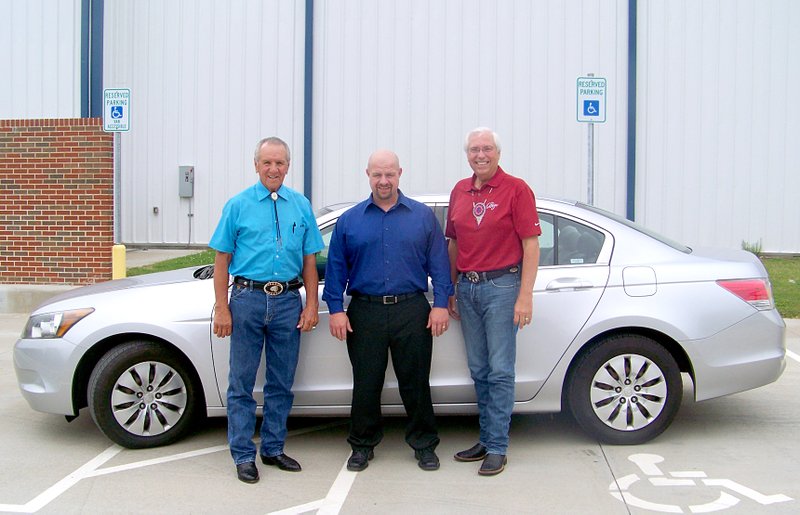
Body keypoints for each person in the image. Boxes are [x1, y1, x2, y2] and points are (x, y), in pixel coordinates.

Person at [322, 149, 454, 472]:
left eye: (390, 174)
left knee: (416, 382)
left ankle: (424, 445)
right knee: (366, 382)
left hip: (412, 309)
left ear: (400, 174)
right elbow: (336, 268)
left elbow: (439, 263)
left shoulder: (422, 217)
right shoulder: (350, 221)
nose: (384, 180)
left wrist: (439, 306)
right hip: (365, 312)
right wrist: (336, 308)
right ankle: (362, 445)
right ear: (367, 174)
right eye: (377, 174)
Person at [210, 137, 324, 484]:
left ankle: (273, 448)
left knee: (281, 382)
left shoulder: (300, 205)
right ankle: (243, 455)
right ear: (256, 165)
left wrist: (312, 304)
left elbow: (309, 260)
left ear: (288, 166)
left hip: (289, 302)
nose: (274, 169)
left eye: (280, 163)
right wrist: (222, 308)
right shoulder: (238, 205)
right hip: (247, 300)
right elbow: (221, 260)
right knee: (241, 383)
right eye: (267, 163)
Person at [445, 127, 541, 476]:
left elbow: (531, 245)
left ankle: (498, 446)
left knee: (500, 371)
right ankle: (486, 438)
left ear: (498, 153)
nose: (480, 155)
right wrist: (452, 289)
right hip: (468, 289)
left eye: (486, 149)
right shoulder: (460, 190)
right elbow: (452, 244)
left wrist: (525, 296)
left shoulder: (516, 189)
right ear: (467, 154)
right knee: (479, 370)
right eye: (474, 149)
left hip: (503, 287)